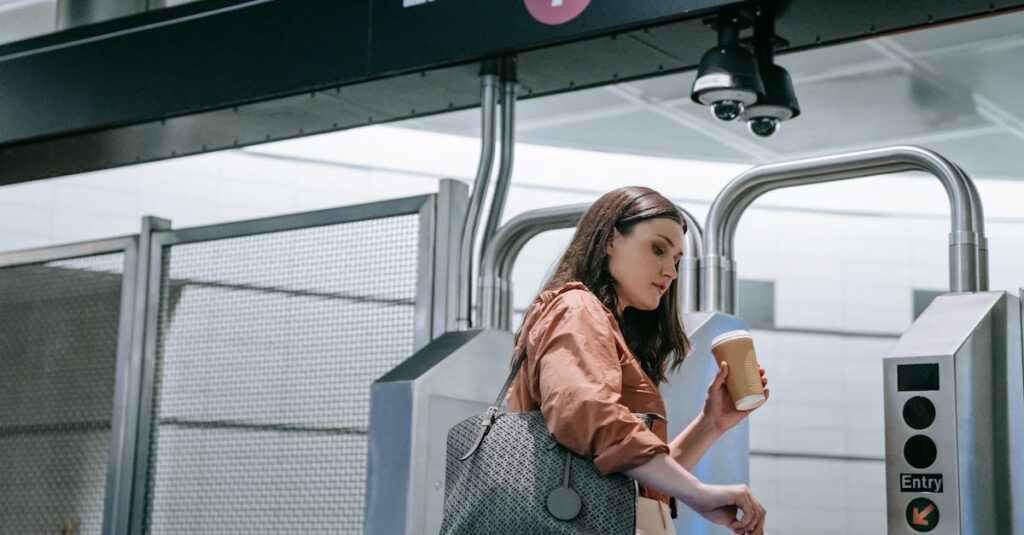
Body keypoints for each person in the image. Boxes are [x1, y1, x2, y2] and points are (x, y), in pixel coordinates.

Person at [506, 186, 770, 535]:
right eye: (658, 249)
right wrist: (699, 492)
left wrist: (712, 422)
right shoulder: (577, 308)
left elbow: (636, 481)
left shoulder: (604, 327)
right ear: (610, 240)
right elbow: (587, 413)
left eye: (675, 259)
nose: (671, 272)